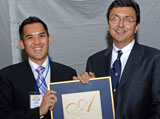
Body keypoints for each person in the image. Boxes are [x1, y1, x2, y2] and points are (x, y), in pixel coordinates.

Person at [73, 0, 160, 119]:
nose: (120, 24)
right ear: (108, 25)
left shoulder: (154, 59)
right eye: (115, 19)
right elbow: (91, 107)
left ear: (136, 27)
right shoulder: (94, 61)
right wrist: (84, 88)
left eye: (128, 19)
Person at [0, 16, 77, 119]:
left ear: (49, 39)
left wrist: (88, 85)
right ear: (22, 44)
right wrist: (39, 111)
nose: (37, 42)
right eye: (30, 37)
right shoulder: (7, 77)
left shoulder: (68, 74)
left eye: (41, 36)